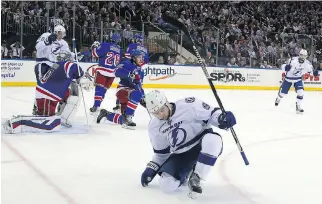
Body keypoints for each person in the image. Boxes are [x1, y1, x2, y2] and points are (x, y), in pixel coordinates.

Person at [140, 90, 236, 198]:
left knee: (213, 140)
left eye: (162, 110)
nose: (160, 115)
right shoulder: (154, 127)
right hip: (181, 155)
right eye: (156, 113)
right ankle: (187, 172)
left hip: (201, 144)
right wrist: (151, 168)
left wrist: (221, 118)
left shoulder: (189, 105)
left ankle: (197, 177)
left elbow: (212, 114)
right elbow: (161, 154)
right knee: (167, 185)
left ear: (166, 102)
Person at [2, 52, 92, 134]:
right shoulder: (68, 65)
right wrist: (84, 79)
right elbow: (75, 70)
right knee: (50, 125)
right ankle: (15, 124)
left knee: (73, 91)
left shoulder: (55, 66)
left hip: (46, 93)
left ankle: (62, 119)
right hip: (47, 96)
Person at [96, 50, 146, 129]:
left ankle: (106, 114)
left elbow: (139, 85)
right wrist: (129, 74)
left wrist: (143, 97)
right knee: (136, 95)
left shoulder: (141, 71)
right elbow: (116, 71)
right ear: (133, 58)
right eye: (139, 57)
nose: (141, 59)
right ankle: (128, 116)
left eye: (142, 57)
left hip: (131, 94)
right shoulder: (126, 63)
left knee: (123, 120)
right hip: (122, 90)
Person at [33, 24, 71, 115]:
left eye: (62, 33)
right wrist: (47, 41)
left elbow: (67, 54)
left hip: (55, 67)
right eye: (59, 33)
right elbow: (37, 47)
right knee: (43, 88)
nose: (60, 35)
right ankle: (38, 109)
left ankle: (56, 109)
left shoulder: (64, 43)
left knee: (59, 88)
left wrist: (72, 56)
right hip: (42, 64)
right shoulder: (46, 35)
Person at [113, 33, 149, 113]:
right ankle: (139, 97)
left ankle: (118, 104)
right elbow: (146, 62)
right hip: (140, 68)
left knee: (129, 84)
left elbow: (128, 56)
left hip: (133, 66)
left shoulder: (132, 46)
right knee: (137, 84)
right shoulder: (145, 49)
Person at [275, 49, 319, 113]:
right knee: (282, 94)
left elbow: (311, 71)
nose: (302, 57)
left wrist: (314, 73)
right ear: (299, 55)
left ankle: (298, 106)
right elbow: (283, 66)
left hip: (298, 79)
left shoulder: (307, 63)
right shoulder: (292, 60)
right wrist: (285, 68)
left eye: (304, 56)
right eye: (301, 55)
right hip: (288, 79)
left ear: (306, 56)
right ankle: (278, 98)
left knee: (300, 92)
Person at [89, 33, 122, 113]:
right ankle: (98, 104)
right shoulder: (119, 50)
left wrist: (94, 47)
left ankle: (96, 106)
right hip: (112, 74)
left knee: (99, 89)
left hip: (103, 71)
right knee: (104, 90)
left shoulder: (106, 45)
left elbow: (95, 54)